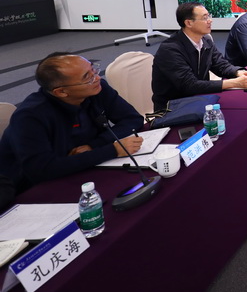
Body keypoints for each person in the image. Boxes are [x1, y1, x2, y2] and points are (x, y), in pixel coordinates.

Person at [0, 54, 144, 192]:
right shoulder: (30, 117)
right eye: (87, 77)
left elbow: (132, 119)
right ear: (61, 92)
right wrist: (112, 150)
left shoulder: (97, 89)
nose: (97, 78)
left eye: (93, 70)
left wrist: (94, 145)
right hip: (32, 189)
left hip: (85, 167)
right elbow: (42, 170)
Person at [151, 2, 247, 111]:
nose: (210, 20)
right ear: (189, 23)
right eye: (205, 18)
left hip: (199, 100)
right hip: (173, 108)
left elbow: (220, 65)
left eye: (209, 16)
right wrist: (234, 83)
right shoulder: (170, 49)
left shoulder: (206, 40)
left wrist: (239, 72)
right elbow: (189, 85)